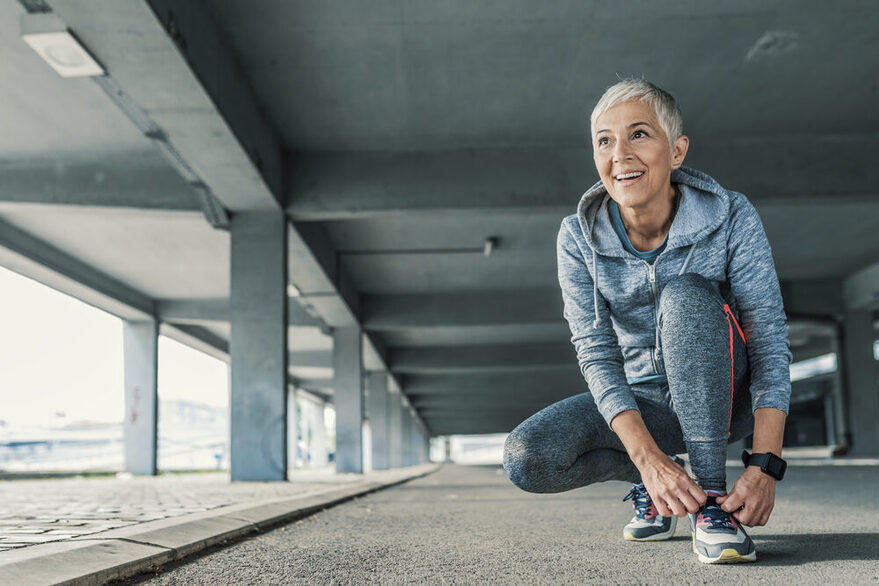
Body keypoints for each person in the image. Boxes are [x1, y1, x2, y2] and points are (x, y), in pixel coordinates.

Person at [502, 79, 791, 564]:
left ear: (676, 151)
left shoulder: (731, 215)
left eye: (639, 134)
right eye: (604, 140)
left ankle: (714, 506)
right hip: (645, 408)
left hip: (725, 398)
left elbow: (768, 340)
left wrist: (766, 465)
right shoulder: (578, 237)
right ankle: (660, 486)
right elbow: (595, 350)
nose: (620, 154)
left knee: (684, 295)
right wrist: (649, 462)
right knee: (528, 458)